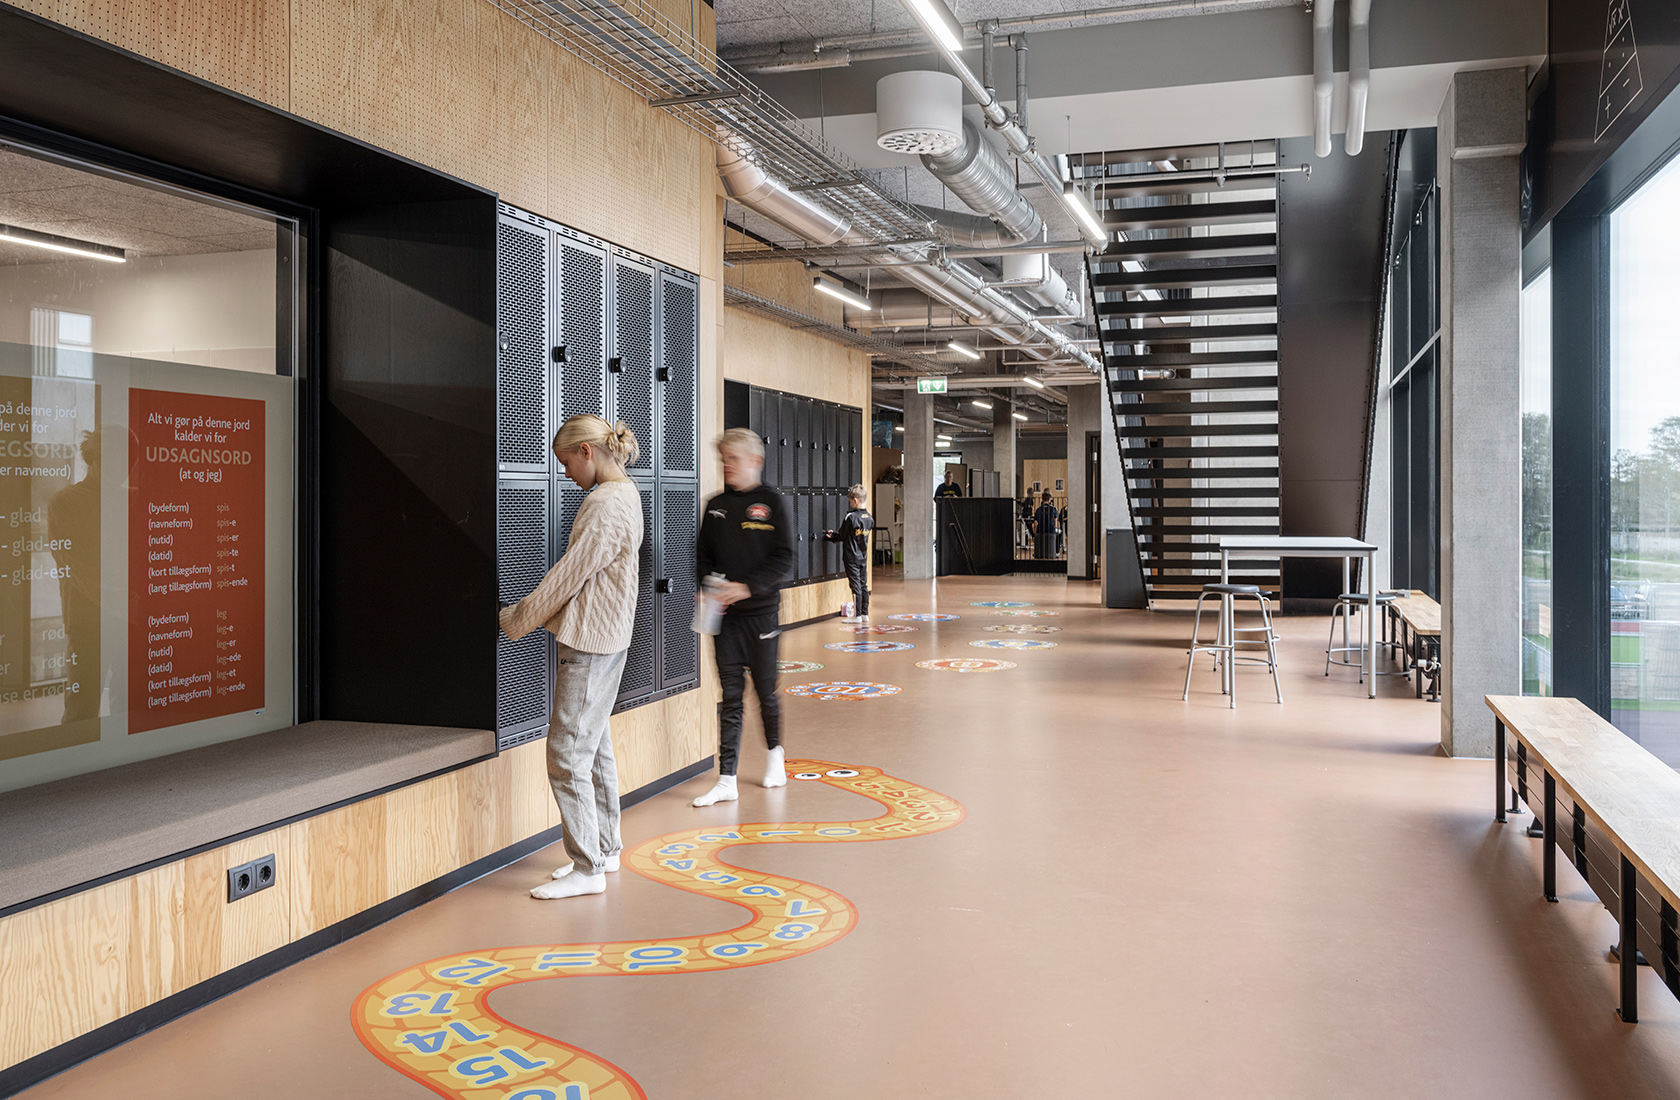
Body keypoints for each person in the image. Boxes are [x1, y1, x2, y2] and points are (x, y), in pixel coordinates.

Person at [499, 416, 643, 900]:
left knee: (566, 754)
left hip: (590, 642)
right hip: (610, 636)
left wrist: (518, 619)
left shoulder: (604, 504)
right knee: (594, 744)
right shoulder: (627, 493)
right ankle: (605, 848)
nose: (564, 475)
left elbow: (567, 577)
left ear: (587, 452)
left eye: (565, 463)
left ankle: (587, 867)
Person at [692, 428, 795, 807]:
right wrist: (708, 585)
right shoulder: (716, 505)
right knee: (730, 695)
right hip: (724, 618)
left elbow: (784, 559)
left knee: (765, 691)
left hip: (761, 614)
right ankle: (726, 778)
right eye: (723, 460)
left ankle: (775, 755)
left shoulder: (772, 503)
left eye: (733, 459)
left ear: (755, 461)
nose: (727, 466)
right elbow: (703, 555)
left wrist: (748, 588)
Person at [825, 485, 874, 620]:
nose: (850, 503)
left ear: (856, 500)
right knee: (863, 584)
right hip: (863, 556)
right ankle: (865, 614)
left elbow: (842, 535)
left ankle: (856, 616)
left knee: (855, 585)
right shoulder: (869, 518)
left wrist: (831, 536)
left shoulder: (851, 517)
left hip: (851, 557)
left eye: (850, 501)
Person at [1033, 491, 1060, 560]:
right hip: (1050, 529)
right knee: (1060, 532)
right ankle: (1057, 551)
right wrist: (1055, 529)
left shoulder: (1038, 510)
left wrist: (1035, 533)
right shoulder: (1053, 509)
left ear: (1042, 499)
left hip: (1040, 530)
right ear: (1050, 499)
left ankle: (1037, 552)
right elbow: (1055, 523)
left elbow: (1035, 524)